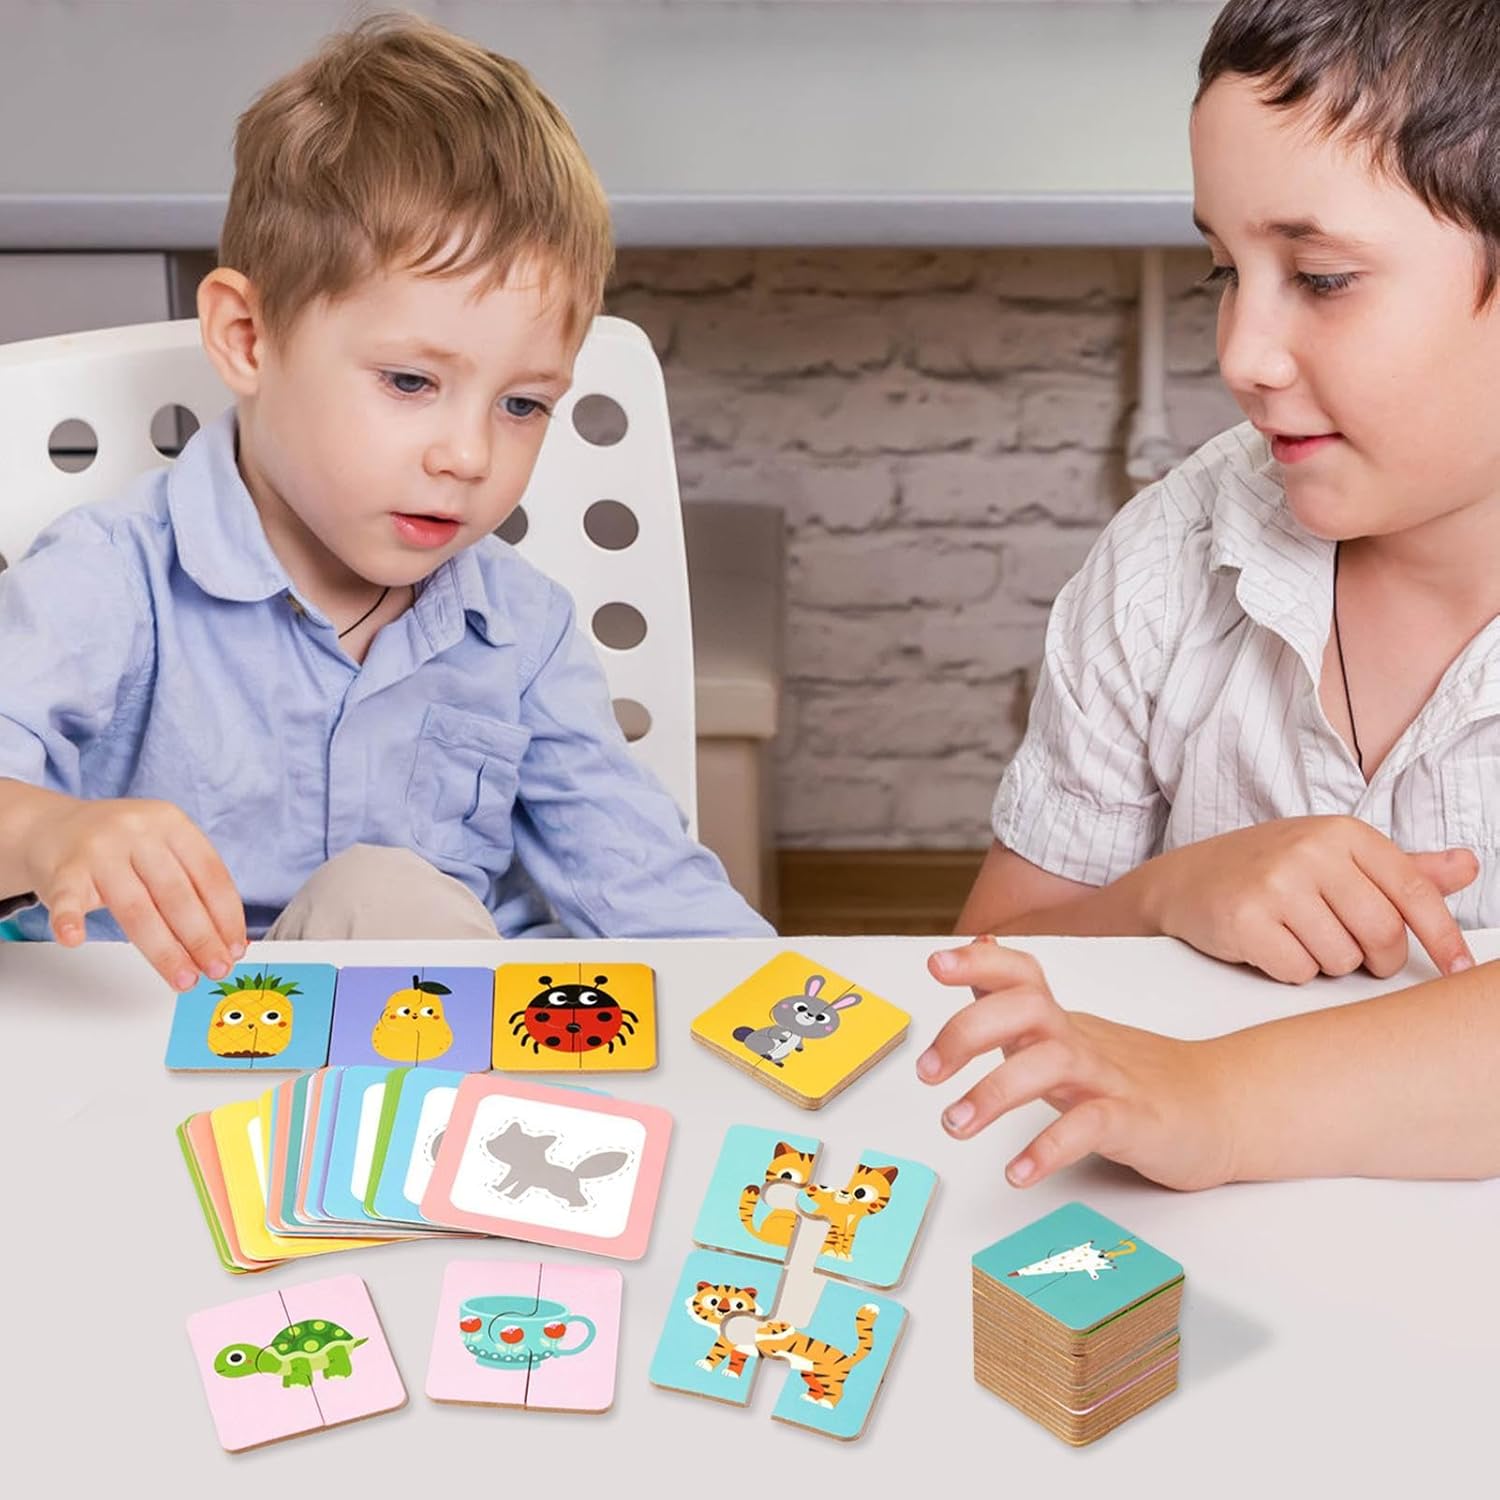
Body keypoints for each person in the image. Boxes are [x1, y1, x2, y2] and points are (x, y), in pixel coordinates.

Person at [0, 13, 770, 992]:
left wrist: (825, 1030)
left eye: (523, 405)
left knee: (401, 904)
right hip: (152, 1048)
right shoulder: (110, 577)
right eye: (410, 382)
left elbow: (652, 895)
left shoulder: (520, 630)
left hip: (424, 1050)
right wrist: (50, 831)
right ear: (247, 338)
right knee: (385, 897)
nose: (468, 455)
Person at [924, 0, 1500, 1186]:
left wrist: (1220, 1100)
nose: (1241, 354)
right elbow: (990, 959)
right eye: (1226, 272)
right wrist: (1163, 896)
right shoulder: (1173, 555)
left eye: (1323, 278)